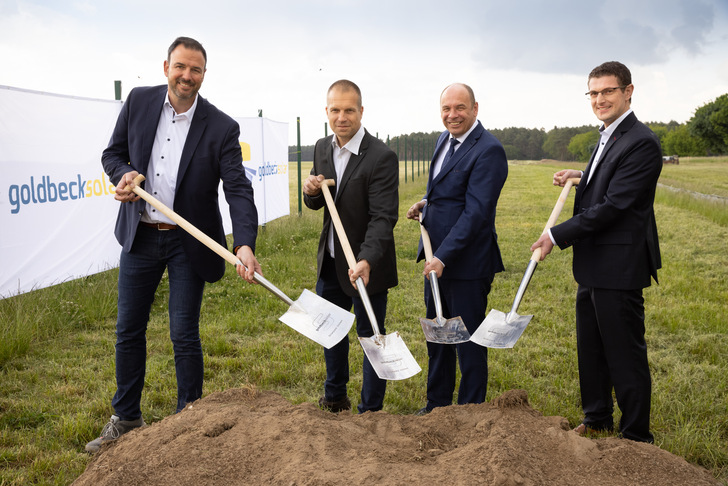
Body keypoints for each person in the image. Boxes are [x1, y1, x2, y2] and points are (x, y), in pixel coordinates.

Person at [86, 36, 261, 453]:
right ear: (166, 66)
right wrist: (124, 174)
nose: (187, 76)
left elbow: (237, 189)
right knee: (128, 329)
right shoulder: (139, 102)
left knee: (184, 332)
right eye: (180, 67)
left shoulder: (221, 127)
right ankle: (126, 417)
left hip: (189, 242)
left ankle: (190, 423)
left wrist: (245, 244)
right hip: (140, 234)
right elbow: (112, 154)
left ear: (203, 74)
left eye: (195, 69)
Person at [530, 61, 662, 443]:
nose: (600, 99)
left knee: (623, 352)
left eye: (608, 91)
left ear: (628, 91)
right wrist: (580, 177)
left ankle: (636, 434)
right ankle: (598, 416)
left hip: (619, 264)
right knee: (591, 346)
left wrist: (556, 235)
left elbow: (616, 205)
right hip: (594, 263)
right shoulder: (608, 135)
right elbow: (606, 182)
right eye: (594, 92)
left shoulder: (641, 141)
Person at [406, 83, 508, 413]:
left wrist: (443, 257)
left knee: (469, 343)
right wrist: (425, 203)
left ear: (475, 109)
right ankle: (437, 407)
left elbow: (476, 213)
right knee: (439, 335)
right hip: (436, 258)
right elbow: (444, 190)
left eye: (460, 108)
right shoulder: (444, 140)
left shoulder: (488, 150)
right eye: (446, 109)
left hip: (465, 264)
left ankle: (470, 413)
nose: (452, 115)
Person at [303, 79, 399, 414]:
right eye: (335, 110)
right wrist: (311, 191)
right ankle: (335, 398)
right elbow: (318, 204)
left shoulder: (381, 157)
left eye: (348, 110)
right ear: (326, 111)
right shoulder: (321, 147)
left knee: (371, 336)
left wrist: (367, 259)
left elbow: (383, 218)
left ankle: (370, 411)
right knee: (332, 333)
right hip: (331, 262)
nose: (341, 117)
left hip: (366, 266)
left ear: (361, 111)